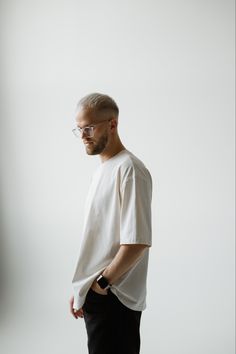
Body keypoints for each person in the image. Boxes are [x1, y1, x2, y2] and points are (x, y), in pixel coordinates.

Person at [69, 93, 152, 354]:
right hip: (100, 297)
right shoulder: (101, 171)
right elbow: (100, 240)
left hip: (115, 299)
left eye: (90, 127)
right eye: (79, 129)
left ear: (112, 124)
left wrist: (101, 285)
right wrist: (83, 287)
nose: (83, 135)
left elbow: (137, 242)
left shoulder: (130, 169)